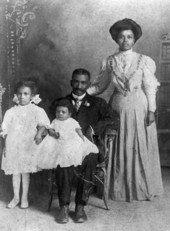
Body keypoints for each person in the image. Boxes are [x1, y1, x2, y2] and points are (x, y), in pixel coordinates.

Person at [87, 18, 163, 202]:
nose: (125, 40)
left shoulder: (144, 61)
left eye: (129, 37)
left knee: (137, 144)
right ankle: (118, 188)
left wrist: (151, 110)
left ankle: (140, 187)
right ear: (116, 39)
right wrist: (81, 94)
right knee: (117, 143)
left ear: (134, 39)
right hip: (117, 109)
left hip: (140, 107)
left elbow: (149, 87)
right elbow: (100, 86)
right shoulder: (109, 62)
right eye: (121, 37)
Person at [50, 68, 119, 223]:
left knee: (90, 158)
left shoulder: (98, 103)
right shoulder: (60, 103)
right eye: (76, 81)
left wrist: (94, 129)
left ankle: (80, 206)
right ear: (71, 82)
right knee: (63, 158)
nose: (79, 85)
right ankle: (64, 206)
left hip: (88, 146)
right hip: (63, 146)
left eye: (83, 82)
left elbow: (114, 118)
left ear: (88, 84)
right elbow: (48, 122)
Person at [0, 80, 50, 209]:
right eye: (20, 93)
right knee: (15, 172)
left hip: (28, 144)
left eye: (26, 94)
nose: (22, 96)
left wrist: (39, 133)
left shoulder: (36, 110)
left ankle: (24, 198)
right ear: (16, 95)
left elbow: (44, 125)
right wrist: (5, 137)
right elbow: (5, 127)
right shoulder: (11, 111)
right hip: (14, 144)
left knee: (25, 172)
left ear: (32, 96)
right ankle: (16, 197)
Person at [37, 98, 99, 169]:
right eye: (58, 112)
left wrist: (81, 136)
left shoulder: (72, 121)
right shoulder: (55, 121)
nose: (60, 113)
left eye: (63, 112)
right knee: (51, 149)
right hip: (57, 140)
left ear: (69, 114)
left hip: (70, 139)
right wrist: (53, 133)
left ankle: (69, 162)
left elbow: (78, 129)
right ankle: (59, 165)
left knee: (72, 148)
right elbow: (50, 129)